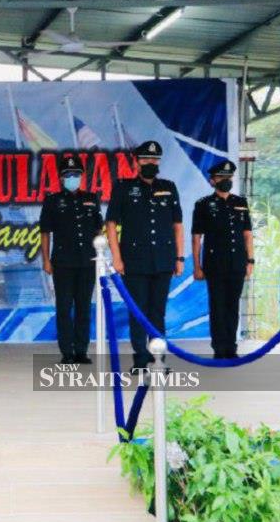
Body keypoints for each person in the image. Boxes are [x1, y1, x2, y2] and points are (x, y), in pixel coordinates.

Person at [106, 140, 184, 371]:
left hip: (163, 260)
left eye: (154, 159)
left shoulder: (169, 187)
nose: (150, 163)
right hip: (135, 260)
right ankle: (140, 359)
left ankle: (157, 359)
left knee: (157, 311)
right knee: (138, 311)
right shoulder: (123, 187)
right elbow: (111, 224)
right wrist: (117, 258)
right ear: (137, 162)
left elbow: (177, 225)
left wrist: (179, 258)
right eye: (146, 159)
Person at [40, 154, 103, 365]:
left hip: (87, 262)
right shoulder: (53, 201)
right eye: (68, 175)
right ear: (60, 177)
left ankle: (81, 351)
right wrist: (46, 260)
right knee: (64, 308)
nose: (72, 178)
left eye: (76, 174)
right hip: (63, 262)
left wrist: (100, 256)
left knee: (84, 307)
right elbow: (45, 232)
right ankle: (66, 352)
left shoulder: (91, 199)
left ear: (82, 176)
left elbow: (98, 228)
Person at [191, 160, 254, 358]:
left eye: (228, 177)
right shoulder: (203, 204)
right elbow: (196, 238)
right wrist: (197, 266)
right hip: (215, 264)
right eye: (221, 177)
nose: (225, 180)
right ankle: (219, 347)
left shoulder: (240, 203)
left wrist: (250, 261)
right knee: (218, 306)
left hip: (237, 263)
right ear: (212, 181)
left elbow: (247, 235)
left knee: (232, 305)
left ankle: (231, 347)